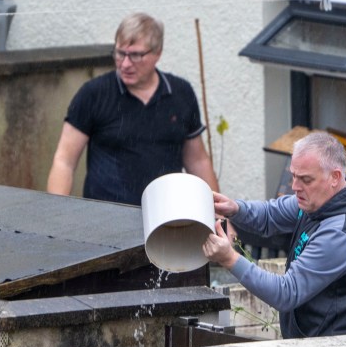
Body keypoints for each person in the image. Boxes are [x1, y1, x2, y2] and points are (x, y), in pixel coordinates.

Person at [203, 132, 346, 339]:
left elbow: (286, 292)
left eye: (306, 179)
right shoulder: (319, 200)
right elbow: (269, 215)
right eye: (294, 176)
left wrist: (230, 259)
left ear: (335, 177)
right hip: (321, 342)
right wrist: (235, 208)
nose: (295, 187)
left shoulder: (342, 232)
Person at [47, 13, 218, 204]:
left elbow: (198, 162)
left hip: (165, 218)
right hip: (105, 220)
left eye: (136, 55)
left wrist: (221, 219)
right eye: (120, 53)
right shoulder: (93, 94)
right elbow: (64, 161)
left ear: (157, 53)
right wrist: (56, 217)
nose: (126, 64)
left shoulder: (181, 93)